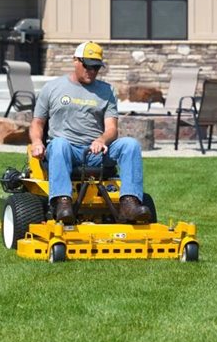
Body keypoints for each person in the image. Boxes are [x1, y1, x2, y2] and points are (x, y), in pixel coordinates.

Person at [29, 41, 152, 225]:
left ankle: (129, 203)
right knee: (59, 144)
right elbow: (37, 123)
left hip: (95, 152)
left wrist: (101, 139)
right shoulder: (52, 88)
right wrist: (37, 142)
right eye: (88, 65)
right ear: (75, 61)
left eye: (96, 67)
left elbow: (112, 128)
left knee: (130, 145)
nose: (92, 71)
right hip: (65, 150)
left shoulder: (106, 91)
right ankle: (62, 203)